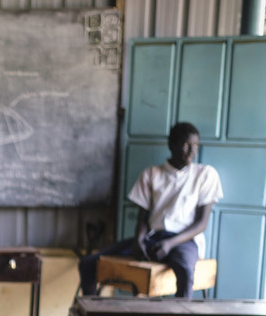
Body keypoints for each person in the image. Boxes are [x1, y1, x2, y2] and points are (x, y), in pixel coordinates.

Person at [78, 122, 223, 298]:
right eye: (186, 145)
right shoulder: (151, 174)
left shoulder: (205, 175)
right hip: (153, 239)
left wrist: (170, 243)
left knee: (184, 270)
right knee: (88, 263)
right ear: (172, 145)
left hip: (184, 241)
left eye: (196, 145)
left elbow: (201, 224)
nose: (192, 150)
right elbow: (142, 219)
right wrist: (139, 241)